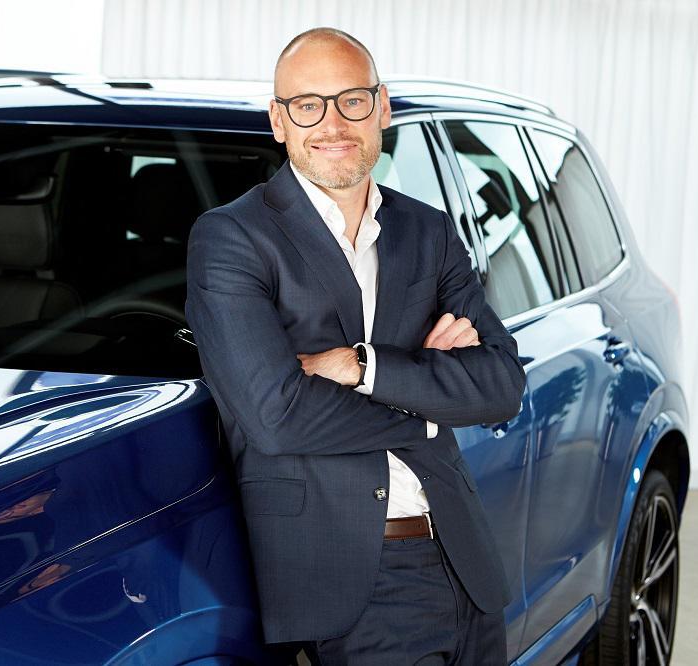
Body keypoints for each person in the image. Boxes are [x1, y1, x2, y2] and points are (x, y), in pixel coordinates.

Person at [184, 26, 525, 665]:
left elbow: (502, 384)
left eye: (352, 100)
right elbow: (276, 416)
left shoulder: (427, 231)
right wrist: (431, 402)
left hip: (465, 562)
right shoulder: (233, 238)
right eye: (307, 105)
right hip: (355, 579)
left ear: (382, 107)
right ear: (278, 121)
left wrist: (359, 365)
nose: (333, 123)